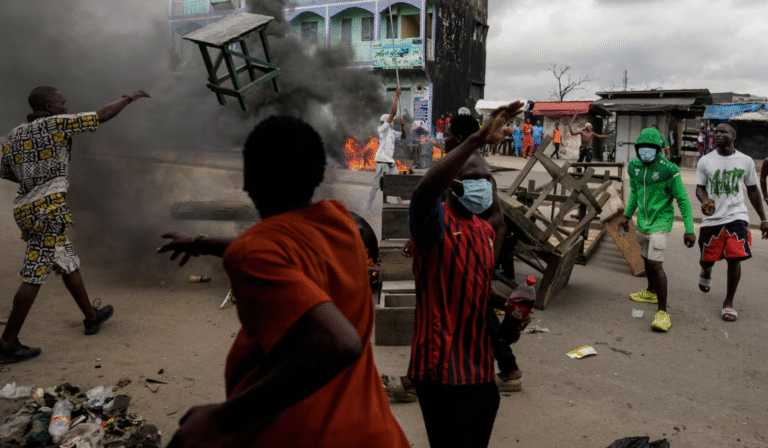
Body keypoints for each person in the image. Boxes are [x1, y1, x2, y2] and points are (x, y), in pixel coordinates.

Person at [161, 116, 410, 448]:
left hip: (307, 436)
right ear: (319, 175)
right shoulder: (340, 221)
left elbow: (339, 343)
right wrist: (201, 243)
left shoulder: (256, 251)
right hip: (376, 434)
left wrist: (221, 419)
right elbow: (280, 249)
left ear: (249, 180)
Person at [0, 86, 150, 364]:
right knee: (34, 274)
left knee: (66, 260)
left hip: (26, 207)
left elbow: (5, 170)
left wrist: (34, 179)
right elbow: (99, 116)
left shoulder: (14, 134)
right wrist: (128, 99)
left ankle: (91, 318)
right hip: (48, 211)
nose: (66, 106)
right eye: (61, 102)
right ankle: (7, 343)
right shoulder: (56, 124)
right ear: (48, 106)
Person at [408, 102, 527, 448]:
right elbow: (422, 193)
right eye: (473, 180)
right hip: (441, 370)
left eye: (485, 181)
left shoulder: (483, 232)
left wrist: (509, 305)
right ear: (453, 183)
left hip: (478, 371)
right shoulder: (435, 225)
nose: (482, 187)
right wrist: (476, 140)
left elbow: (474, 286)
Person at [618, 128, 696, 332]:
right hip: (643, 222)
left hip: (661, 221)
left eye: (650, 149)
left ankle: (663, 313)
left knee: (655, 263)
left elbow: (683, 200)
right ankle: (651, 291)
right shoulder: (634, 167)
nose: (645, 152)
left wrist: (689, 228)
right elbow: (634, 193)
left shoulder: (669, 169)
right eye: (641, 149)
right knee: (645, 257)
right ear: (636, 149)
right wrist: (627, 216)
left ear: (658, 149)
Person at [695, 122, 768, 322]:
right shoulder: (706, 161)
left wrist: (763, 218)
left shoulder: (745, 161)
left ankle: (728, 303)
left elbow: (753, 189)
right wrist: (704, 201)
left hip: (737, 216)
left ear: (733, 136)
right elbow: (699, 188)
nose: (718, 134)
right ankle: (706, 269)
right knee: (707, 258)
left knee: (734, 257)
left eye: (723, 131)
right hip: (712, 219)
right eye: (716, 131)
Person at [366, 88, 407, 213]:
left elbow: (404, 137)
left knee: (396, 183)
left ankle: (401, 207)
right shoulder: (382, 129)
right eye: (391, 121)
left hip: (390, 163)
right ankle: (368, 207)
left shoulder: (393, 132)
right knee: (376, 186)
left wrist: (403, 126)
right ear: (387, 122)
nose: (392, 123)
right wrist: (396, 96)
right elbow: (393, 113)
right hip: (382, 162)